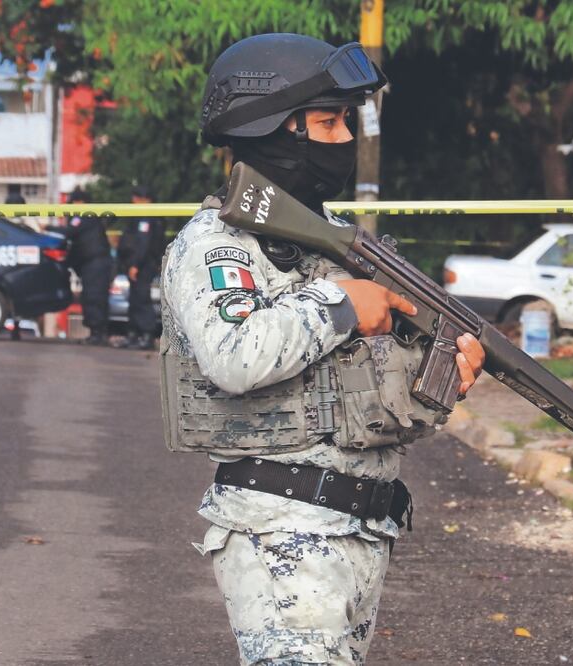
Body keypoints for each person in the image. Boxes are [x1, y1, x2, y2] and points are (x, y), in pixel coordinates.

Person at [160, 34, 486, 665]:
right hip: (282, 527)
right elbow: (234, 354)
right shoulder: (218, 246)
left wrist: (441, 375)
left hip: (362, 527)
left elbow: (361, 396)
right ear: (278, 132)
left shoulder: (333, 245)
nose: (344, 137)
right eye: (328, 121)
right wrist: (341, 304)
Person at [116, 184, 165, 350]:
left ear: (145, 199)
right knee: (135, 299)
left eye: (137, 198)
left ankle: (146, 335)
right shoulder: (142, 216)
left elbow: (143, 244)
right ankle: (134, 334)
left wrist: (135, 265)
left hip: (143, 265)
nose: (133, 201)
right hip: (137, 264)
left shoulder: (146, 217)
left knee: (141, 299)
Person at [63, 186, 113, 345]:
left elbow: (69, 231)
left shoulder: (85, 215)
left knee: (95, 298)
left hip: (96, 264)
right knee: (92, 297)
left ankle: (98, 334)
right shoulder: (89, 217)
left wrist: (48, 228)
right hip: (92, 264)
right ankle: (96, 333)